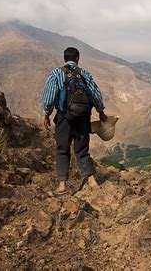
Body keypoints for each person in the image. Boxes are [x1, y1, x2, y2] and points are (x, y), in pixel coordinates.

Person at [42, 47, 107, 195]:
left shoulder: (57, 73)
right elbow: (95, 94)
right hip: (83, 118)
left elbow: (49, 96)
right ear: (78, 58)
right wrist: (101, 112)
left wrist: (47, 114)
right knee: (82, 150)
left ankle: (62, 185)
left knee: (62, 150)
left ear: (65, 58)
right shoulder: (84, 74)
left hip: (65, 118)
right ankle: (91, 181)